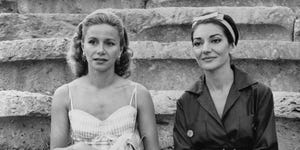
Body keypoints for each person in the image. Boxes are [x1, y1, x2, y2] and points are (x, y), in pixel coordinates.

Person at [50, 10, 159, 150]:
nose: (100, 50)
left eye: (109, 43)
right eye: (93, 42)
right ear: (83, 46)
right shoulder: (64, 95)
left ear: (120, 49)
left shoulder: (139, 94)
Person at [173, 12, 278, 150]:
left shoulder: (259, 94)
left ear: (232, 45)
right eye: (198, 43)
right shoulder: (186, 102)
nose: (205, 49)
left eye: (215, 40)